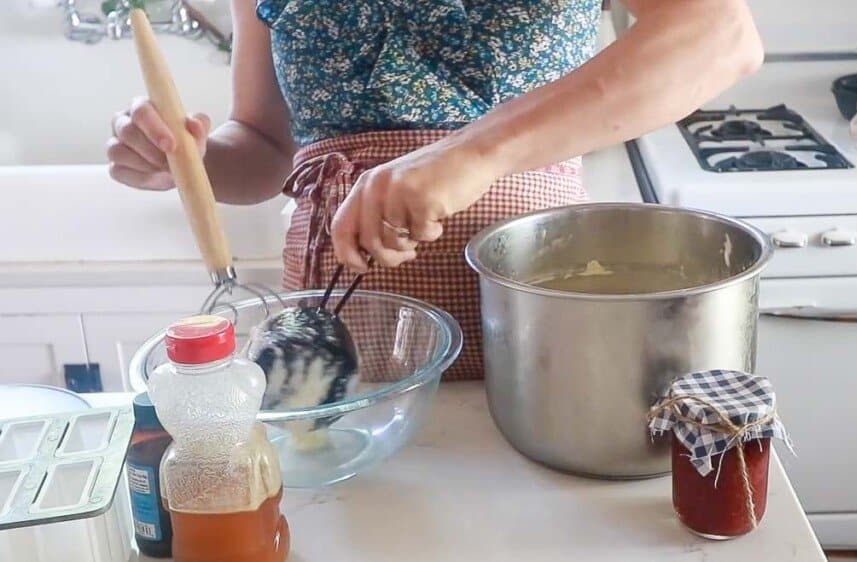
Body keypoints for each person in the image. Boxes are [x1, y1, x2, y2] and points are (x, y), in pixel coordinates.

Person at [106, 0, 763, 379]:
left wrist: (468, 155)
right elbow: (264, 147)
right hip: (339, 345)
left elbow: (719, 36)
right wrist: (189, 164)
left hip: (538, 315)